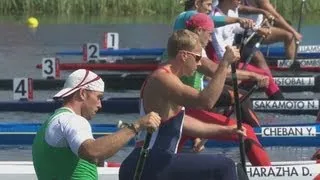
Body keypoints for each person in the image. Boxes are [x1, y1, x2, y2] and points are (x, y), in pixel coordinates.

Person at [119, 29, 270, 180]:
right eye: (198, 58)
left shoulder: (171, 79)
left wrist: (225, 130)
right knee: (226, 166)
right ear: (184, 56)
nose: (199, 64)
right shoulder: (162, 79)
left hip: (156, 161)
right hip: (148, 161)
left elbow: (185, 123)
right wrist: (224, 64)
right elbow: (206, 101)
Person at [32, 69, 161, 180]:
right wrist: (136, 126)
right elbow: (92, 151)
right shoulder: (73, 120)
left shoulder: (48, 124)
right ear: (82, 94)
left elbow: (84, 157)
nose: (100, 105)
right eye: (99, 97)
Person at [211, 0, 285, 99]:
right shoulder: (216, 17)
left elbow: (238, 27)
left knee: (262, 74)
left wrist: (259, 29)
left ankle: (244, 93)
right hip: (218, 63)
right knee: (263, 75)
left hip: (230, 60)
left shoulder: (231, 12)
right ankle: (279, 101)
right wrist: (232, 68)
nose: (240, 1)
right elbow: (218, 49)